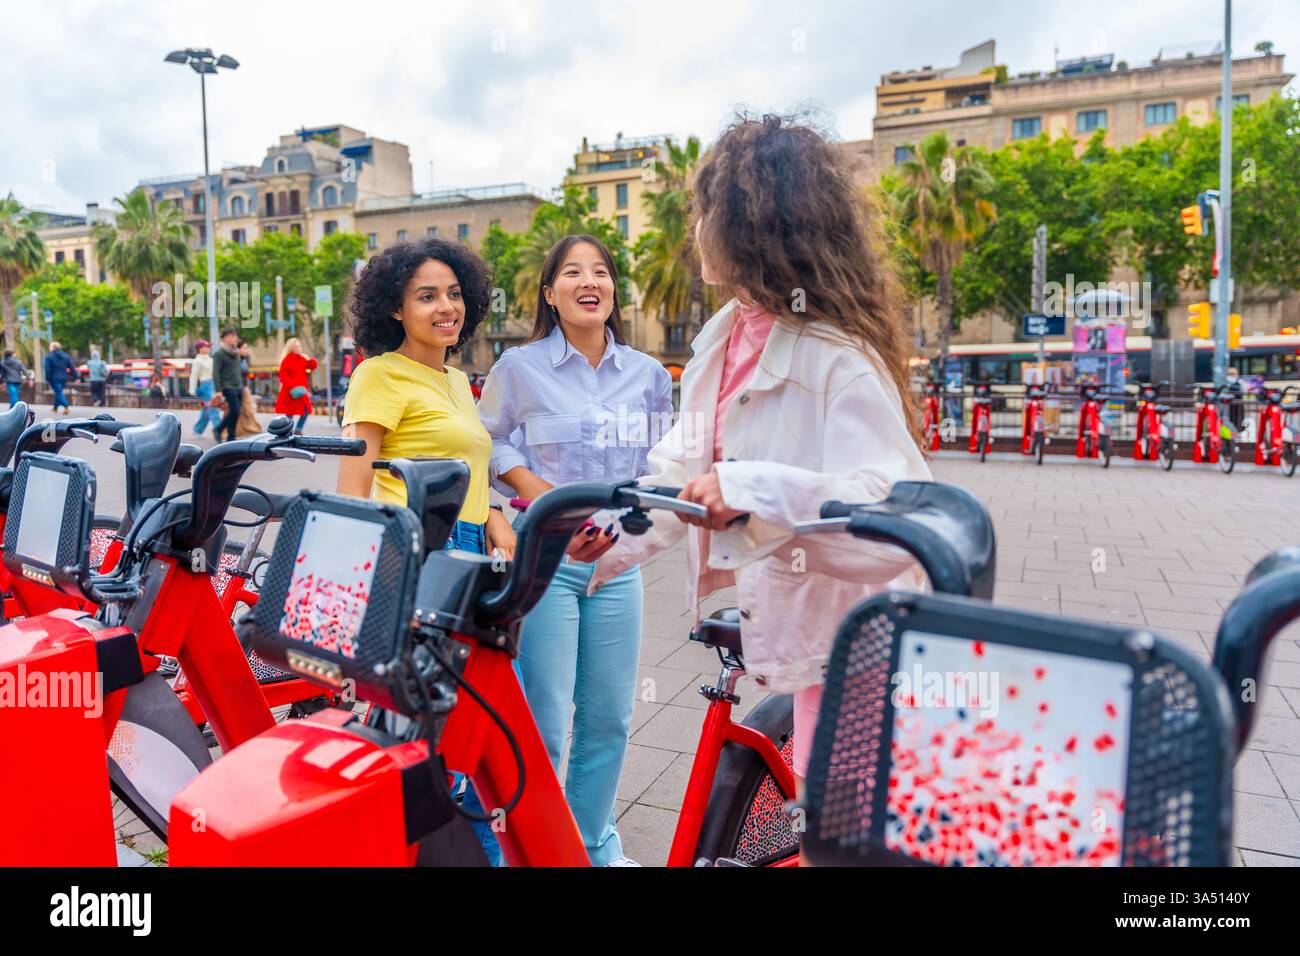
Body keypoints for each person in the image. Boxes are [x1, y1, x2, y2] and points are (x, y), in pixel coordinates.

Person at [590, 115, 931, 864]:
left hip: (856, 644)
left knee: (834, 841)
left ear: (750, 224)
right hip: (800, 634)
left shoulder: (837, 354)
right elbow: (683, 467)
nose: (697, 226)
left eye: (707, 209)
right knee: (816, 822)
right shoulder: (726, 334)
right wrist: (589, 548)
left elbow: (893, 511)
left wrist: (754, 489)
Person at [476, 235, 665, 867]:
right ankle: (527, 849)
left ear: (613, 290)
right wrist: (542, 495)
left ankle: (591, 845)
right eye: (573, 273)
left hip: (616, 562)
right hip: (545, 564)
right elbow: (491, 445)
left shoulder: (647, 375)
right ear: (551, 293)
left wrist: (626, 527)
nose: (591, 283)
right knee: (544, 721)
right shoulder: (518, 368)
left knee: (610, 716)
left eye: (603, 273)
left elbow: (659, 467)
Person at [336, 237, 515, 862]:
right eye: (427, 296)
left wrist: (496, 519)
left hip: (472, 558)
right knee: (443, 727)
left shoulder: (459, 381)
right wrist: (374, 583)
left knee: (481, 723)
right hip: (417, 555)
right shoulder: (379, 373)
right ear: (395, 308)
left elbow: (471, 468)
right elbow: (356, 484)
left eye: (455, 294)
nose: (447, 307)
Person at [275, 337, 318, 435]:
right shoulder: (286, 360)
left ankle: (298, 429)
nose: (299, 347)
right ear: (291, 347)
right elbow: (282, 376)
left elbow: (312, 366)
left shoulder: (302, 358)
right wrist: (293, 386)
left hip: (301, 391)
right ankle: (288, 432)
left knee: (306, 410)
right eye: (296, 346)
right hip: (290, 392)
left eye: (299, 345)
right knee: (290, 414)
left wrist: (308, 358)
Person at [212, 327, 243, 442]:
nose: (236, 338)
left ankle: (231, 437)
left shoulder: (236, 353)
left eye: (235, 335)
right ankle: (218, 429)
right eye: (232, 336)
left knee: (235, 413)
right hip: (228, 386)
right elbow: (215, 373)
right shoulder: (219, 354)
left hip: (238, 386)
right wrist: (218, 390)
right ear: (225, 338)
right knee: (235, 410)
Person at [189, 340, 221, 436]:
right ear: (200, 348)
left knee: (207, 409)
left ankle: (197, 429)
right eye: (206, 346)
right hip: (205, 385)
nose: (208, 348)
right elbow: (194, 375)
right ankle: (219, 430)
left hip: (213, 385)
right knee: (213, 407)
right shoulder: (198, 361)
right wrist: (192, 389)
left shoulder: (211, 360)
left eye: (209, 346)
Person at [43, 341, 79, 414]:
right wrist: (76, 377)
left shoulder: (49, 356)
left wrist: (47, 378)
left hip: (54, 378)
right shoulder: (66, 356)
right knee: (59, 392)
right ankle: (55, 408)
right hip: (64, 378)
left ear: (52, 347)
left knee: (58, 392)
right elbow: (72, 367)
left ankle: (66, 406)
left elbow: (47, 369)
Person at [235, 340, 262, 437]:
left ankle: (248, 429)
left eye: (246, 347)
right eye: (244, 348)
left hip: (244, 388)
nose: (246, 350)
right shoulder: (236, 360)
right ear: (238, 349)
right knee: (240, 410)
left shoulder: (244, 359)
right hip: (238, 388)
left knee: (247, 409)